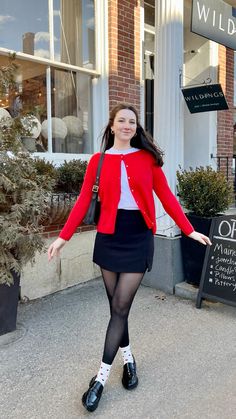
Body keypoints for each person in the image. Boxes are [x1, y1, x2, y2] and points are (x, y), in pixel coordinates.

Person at [48, 103, 212, 412]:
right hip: (109, 237)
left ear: (136, 128)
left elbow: (165, 195)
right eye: (121, 121)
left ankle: (99, 379)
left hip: (138, 237)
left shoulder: (147, 159)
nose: (127, 125)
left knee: (120, 306)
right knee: (117, 310)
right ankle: (129, 360)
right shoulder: (97, 161)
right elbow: (84, 199)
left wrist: (188, 230)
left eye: (132, 122)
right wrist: (63, 237)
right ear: (111, 126)